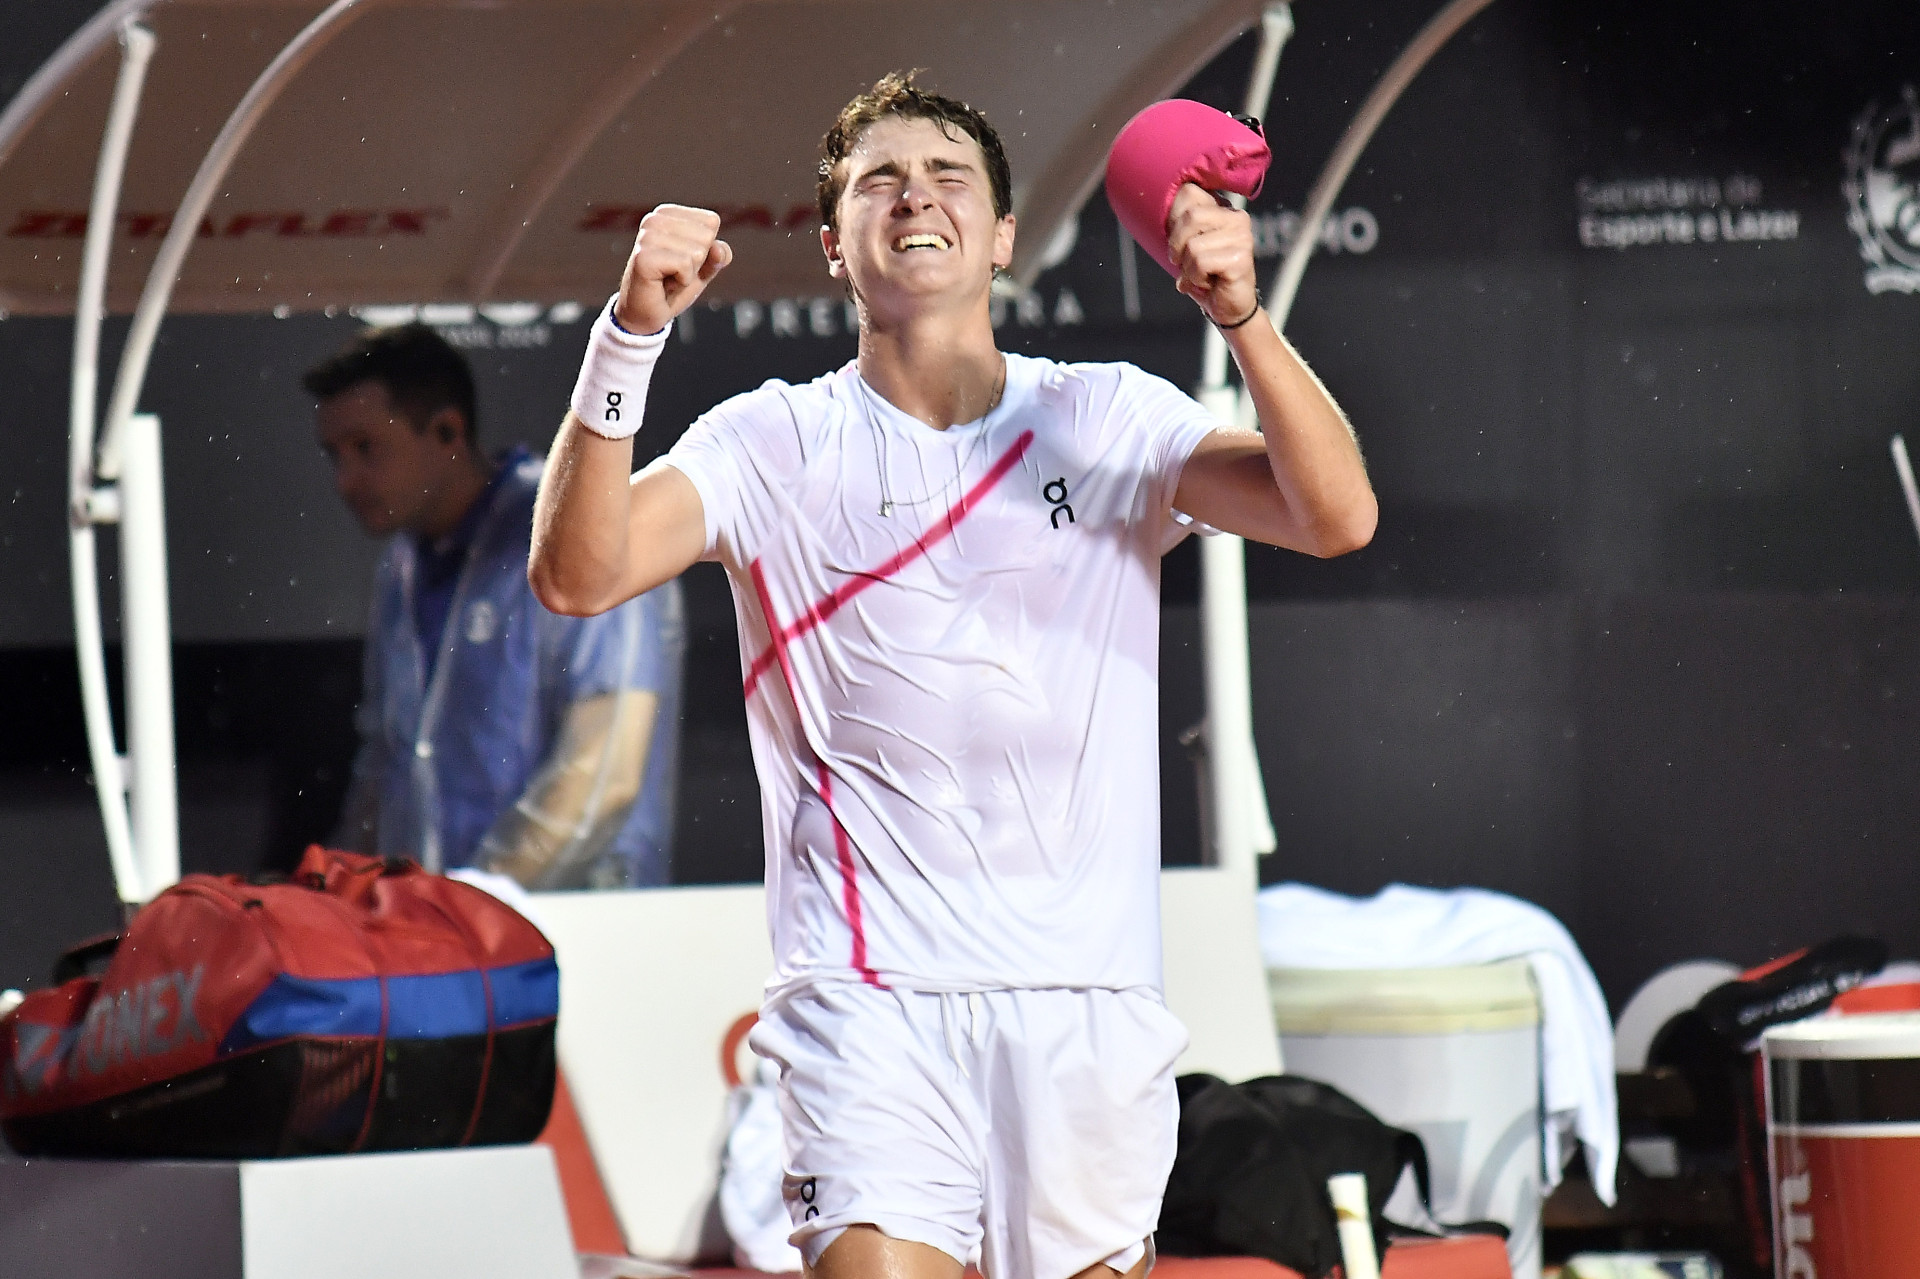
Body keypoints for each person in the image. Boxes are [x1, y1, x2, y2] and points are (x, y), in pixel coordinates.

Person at [529, 72, 1375, 1279]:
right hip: (868, 1002)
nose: (914, 194)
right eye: (880, 179)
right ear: (835, 242)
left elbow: (1336, 515)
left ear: (1003, 236)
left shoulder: (1110, 418)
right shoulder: (769, 442)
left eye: (948, 176)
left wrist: (1243, 317)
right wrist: (629, 339)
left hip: (1085, 1002)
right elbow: (577, 574)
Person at [307, 322, 683, 890]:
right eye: (334, 455)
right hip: (445, 945)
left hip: (584, 938)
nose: (344, 480)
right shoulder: (401, 568)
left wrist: (474, 902)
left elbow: (605, 773)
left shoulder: (574, 530)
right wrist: (332, 901)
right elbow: (387, 768)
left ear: (447, 431)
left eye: (367, 448)